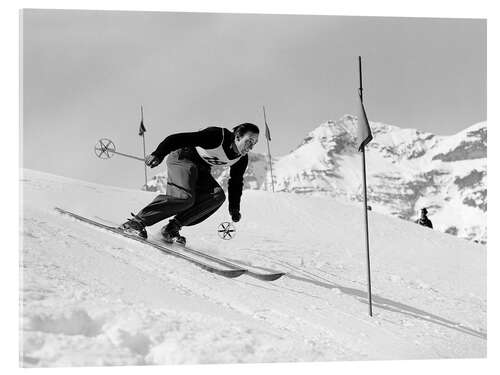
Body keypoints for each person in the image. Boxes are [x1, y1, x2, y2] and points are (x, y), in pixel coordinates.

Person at [119, 123, 260, 245]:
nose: (251, 146)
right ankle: (136, 223)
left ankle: (171, 228)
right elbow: (176, 138)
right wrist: (158, 154)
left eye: (254, 143)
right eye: (249, 141)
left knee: (217, 196)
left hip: (201, 169)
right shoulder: (217, 136)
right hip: (182, 157)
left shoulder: (241, 159)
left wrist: (234, 209)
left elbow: (235, 183)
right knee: (185, 198)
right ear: (238, 136)